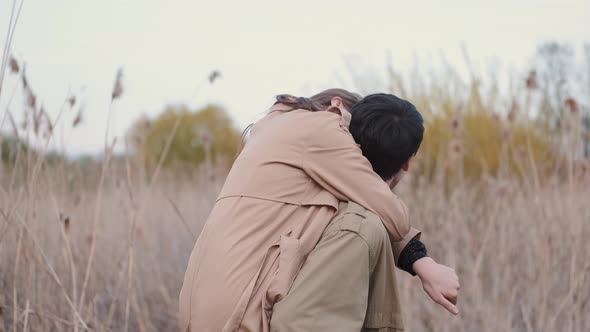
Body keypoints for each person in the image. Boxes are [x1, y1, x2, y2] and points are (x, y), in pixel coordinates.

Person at [179, 89, 413, 332]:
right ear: (337, 106)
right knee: (364, 224)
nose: (354, 152)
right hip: (239, 317)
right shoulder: (323, 129)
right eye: (354, 143)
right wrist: (386, 180)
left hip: (202, 314)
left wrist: (417, 258)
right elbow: (393, 216)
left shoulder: (275, 130)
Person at [270, 94, 460, 331]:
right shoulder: (359, 226)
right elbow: (299, 324)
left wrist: (421, 261)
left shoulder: (292, 147)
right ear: (407, 164)